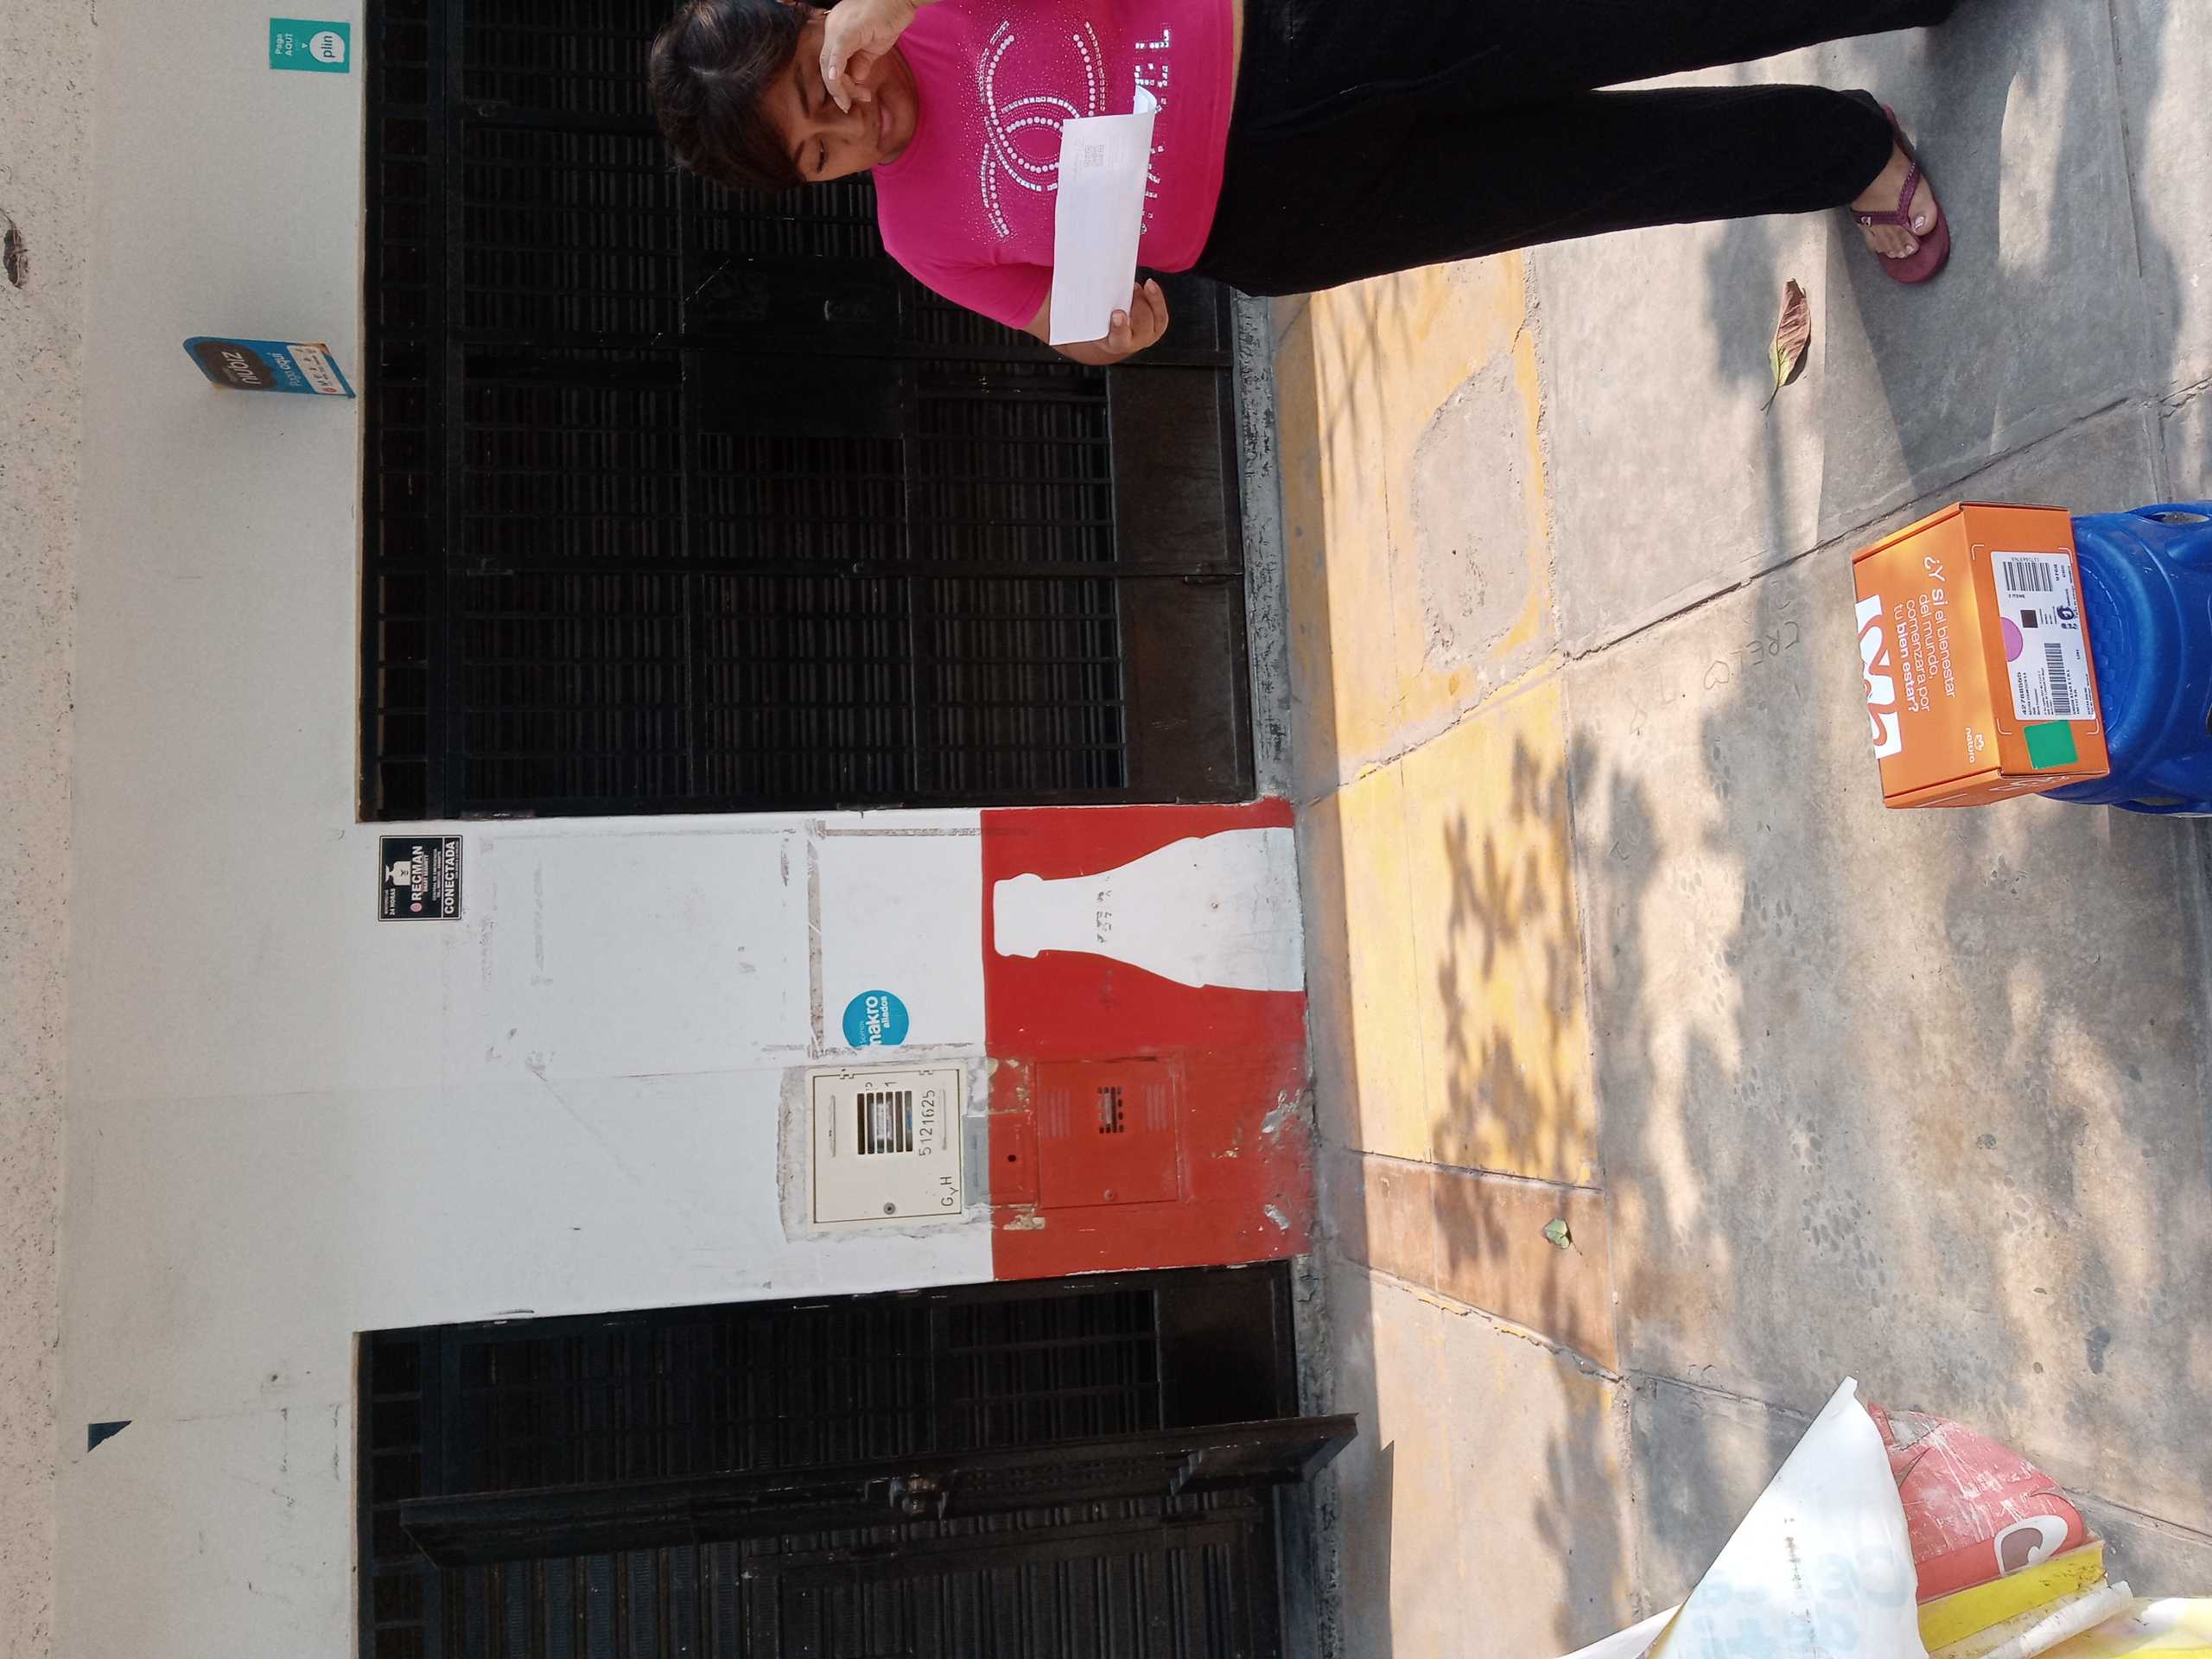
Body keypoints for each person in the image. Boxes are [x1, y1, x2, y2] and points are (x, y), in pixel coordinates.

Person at [648, 0, 1958, 366]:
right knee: (1586, 178)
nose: (851, 125)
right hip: (1281, 220)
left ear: (817, 21)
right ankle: (1844, 152)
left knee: (1587, 20)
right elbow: (1061, 318)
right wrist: (1110, 334)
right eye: (819, 153)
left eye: (820, 85)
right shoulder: (915, 237)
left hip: (1294, 37)